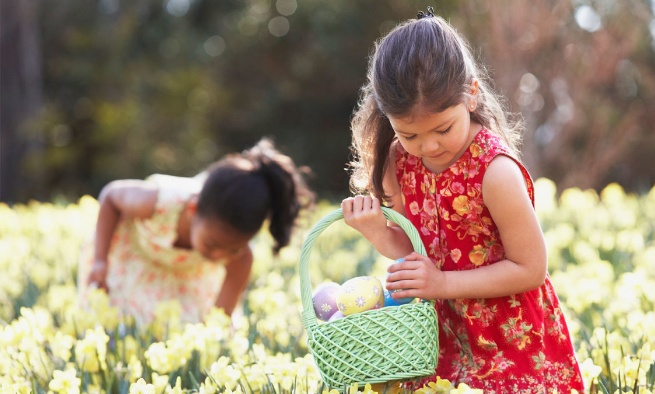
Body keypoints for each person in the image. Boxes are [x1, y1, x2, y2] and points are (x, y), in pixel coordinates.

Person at [342, 8, 585, 393]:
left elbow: (530, 268)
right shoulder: (399, 161)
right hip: (444, 336)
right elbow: (414, 248)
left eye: (443, 128)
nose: (429, 145)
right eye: (410, 134)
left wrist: (440, 283)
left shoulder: (495, 171)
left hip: (510, 337)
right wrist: (378, 232)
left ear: (470, 94)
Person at [78, 138, 314, 326]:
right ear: (192, 210)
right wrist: (100, 261)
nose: (218, 256)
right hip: (133, 262)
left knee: (178, 329)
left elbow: (218, 323)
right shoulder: (156, 202)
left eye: (233, 249)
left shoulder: (241, 260)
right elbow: (110, 196)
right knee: (115, 325)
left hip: (185, 281)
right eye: (212, 244)